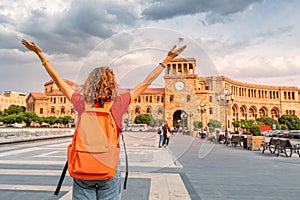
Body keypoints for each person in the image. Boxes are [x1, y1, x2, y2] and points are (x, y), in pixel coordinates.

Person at [21, 39, 186, 200]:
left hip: (83, 165)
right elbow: (146, 82)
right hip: (108, 166)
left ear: (89, 84)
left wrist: (41, 55)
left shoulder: (80, 102)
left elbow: (57, 80)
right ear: (112, 84)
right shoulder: (119, 103)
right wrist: (166, 60)